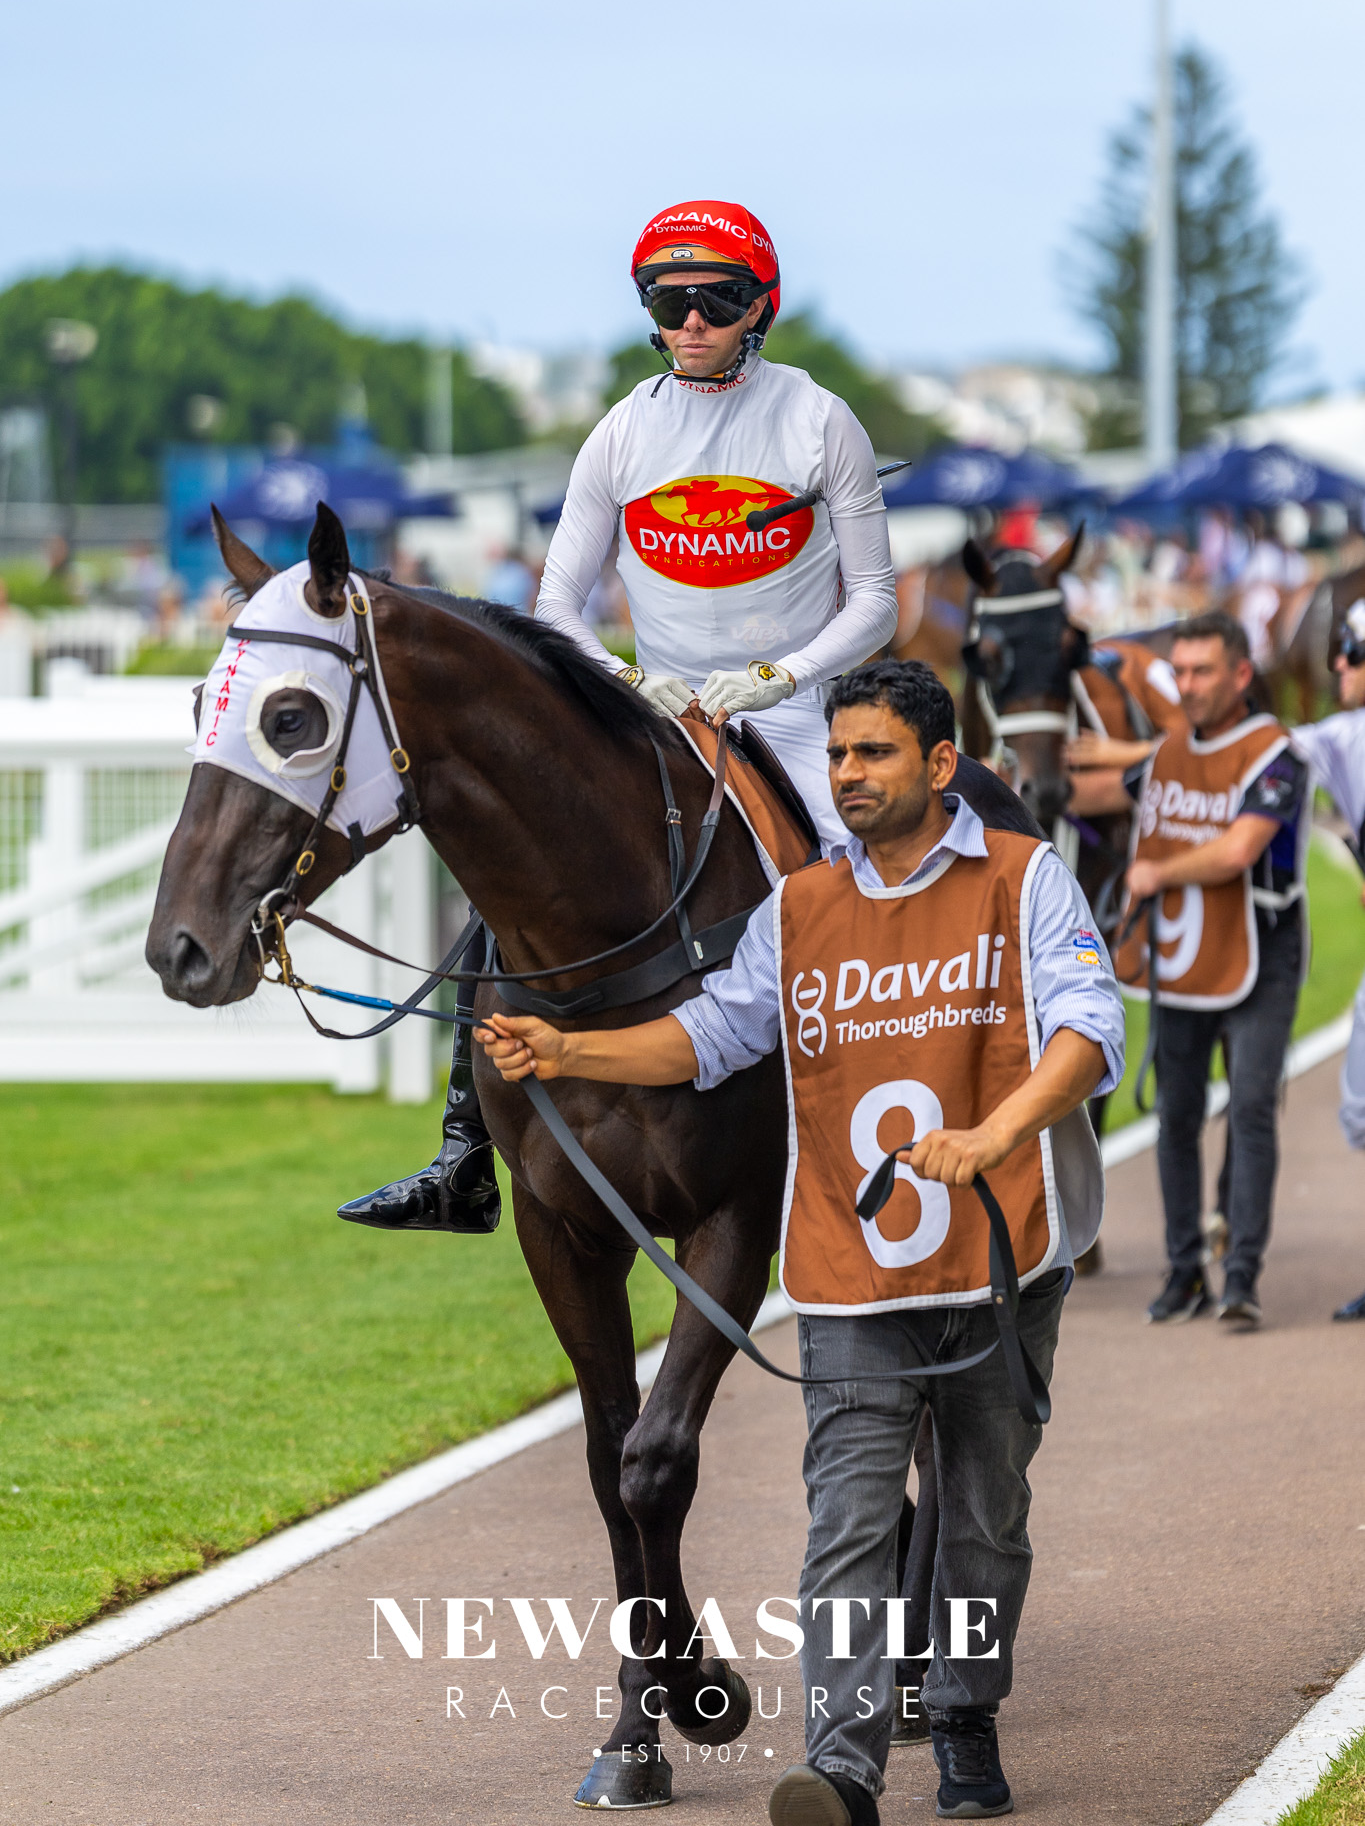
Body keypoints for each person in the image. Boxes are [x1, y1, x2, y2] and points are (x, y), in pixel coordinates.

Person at [476, 660, 1122, 1826]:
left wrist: (996, 1129)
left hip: (999, 1256)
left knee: (983, 1515)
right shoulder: (804, 906)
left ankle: (967, 1716)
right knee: (849, 1521)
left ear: (938, 763)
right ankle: (842, 1766)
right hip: (851, 1271)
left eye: (872, 753)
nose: (847, 775)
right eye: (837, 756)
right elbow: (710, 1032)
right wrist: (568, 1055)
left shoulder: (1028, 879)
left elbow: (1086, 1027)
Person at [340, 198, 899, 1237]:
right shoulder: (622, 431)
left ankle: (870, 1121)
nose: (690, 321)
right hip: (657, 709)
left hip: (788, 717)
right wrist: (627, 676)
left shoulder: (822, 421)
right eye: (668, 300)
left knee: (861, 878)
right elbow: (554, 604)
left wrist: (779, 676)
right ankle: (465, 1145)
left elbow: (877, 602)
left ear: (759, 308)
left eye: (715, 300)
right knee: (522, 883)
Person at [1106, 612, 1309, 1327]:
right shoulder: (1163, 754)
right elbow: (1106, 789)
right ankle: (1183, 1269)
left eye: (1202, 671)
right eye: (1179, 671)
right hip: (1182, 963)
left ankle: (1241, 1278)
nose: (1186, 685)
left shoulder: (1275, 755)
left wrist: (1154, 872)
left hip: (1263, 954)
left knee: (1250, 1108)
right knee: (1175, 1114)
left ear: (1240, 674)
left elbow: (1235, 851)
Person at [1291, 598, 1365, 1320]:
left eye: (1348, 649)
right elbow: (1257, 754)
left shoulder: (1346, 737)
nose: (1337, 663)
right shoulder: (1345, 736)